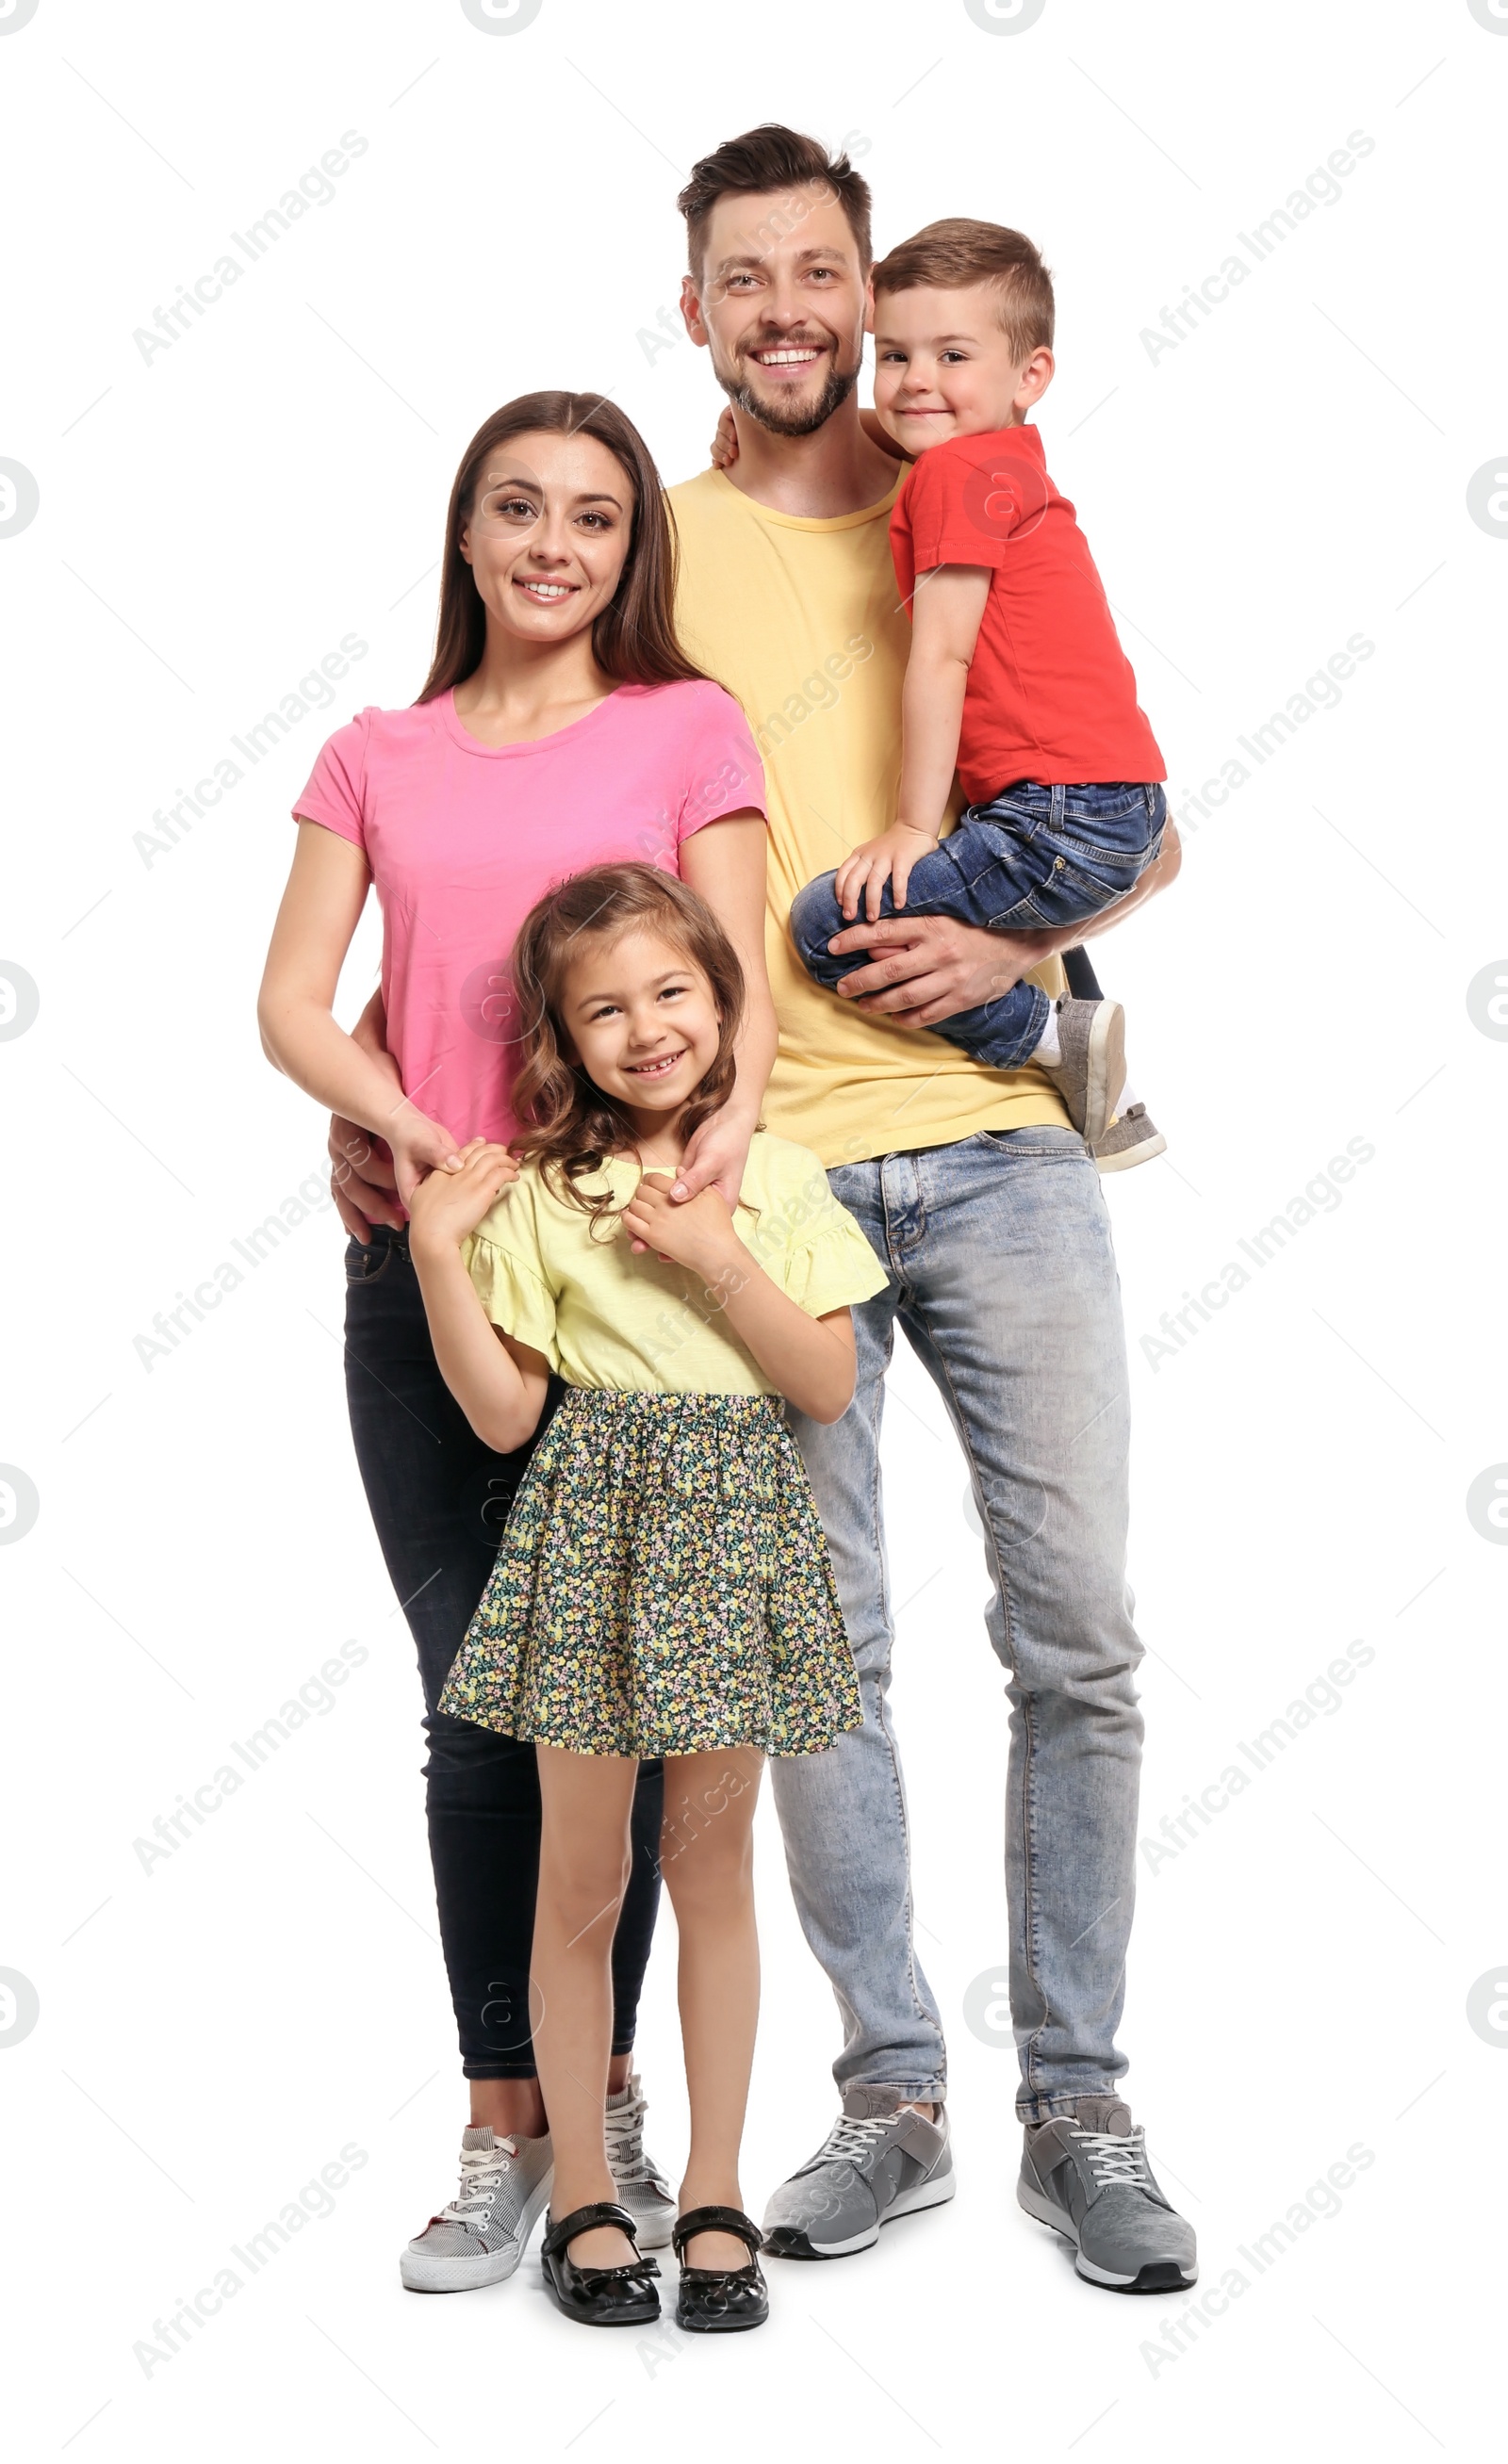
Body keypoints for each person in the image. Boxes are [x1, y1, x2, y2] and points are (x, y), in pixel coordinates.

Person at [666, 123, 1198, 2293]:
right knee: (829, 1658)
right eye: (750, 282)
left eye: (826, 277)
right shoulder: (654, 546)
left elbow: (1133, 830)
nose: (797, 317)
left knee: (1073, 1635)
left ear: (873, 296)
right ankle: (891, 2096)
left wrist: (1002, 963)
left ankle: (1076, 2107)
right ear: (696, 308)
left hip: (998, 1153)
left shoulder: (970, 480)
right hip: (771, 1173)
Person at [257, 390, 775, 2293]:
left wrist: (711, 1174)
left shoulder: (682, 727)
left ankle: (609, 2103)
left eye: (593, 516)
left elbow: (742, 988)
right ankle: (507, 2123)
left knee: (627, 1719)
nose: (555, 545)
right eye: (517, 509)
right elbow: (292, 1004)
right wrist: (411, 1140)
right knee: (476, 1699)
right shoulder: (373, 752)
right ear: (465, 534)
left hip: (632, 1294)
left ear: (631, 547)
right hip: (437, 1272)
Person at [405, 864, 887, 2330]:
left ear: (724, 1001)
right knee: (581, 1884)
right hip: (591, 1545)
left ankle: (719, 2188)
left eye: (673, 990)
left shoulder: (779, 1180)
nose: (646, 1027)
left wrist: (712, 1251)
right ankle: (584, 2198)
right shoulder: (547, 1199)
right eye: (603, 1008)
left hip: (732, 1542)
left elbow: (821, 1380)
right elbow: (501, 1417)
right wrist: (439, 1254)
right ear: (562, 1036)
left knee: (711, 1877)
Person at [789, 217, 1168, 1151]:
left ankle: (1046, 1037)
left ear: (1029, 376)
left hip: (1057, 816)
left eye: (951, 354)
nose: (916, 381)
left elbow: (942, 655)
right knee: (961, 897)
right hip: (1120, 810)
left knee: (828, 923)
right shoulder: (1000, 461)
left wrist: (914, 824)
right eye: (894, 355)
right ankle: (1108, 1111)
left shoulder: (954, 476)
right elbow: (917, 421)